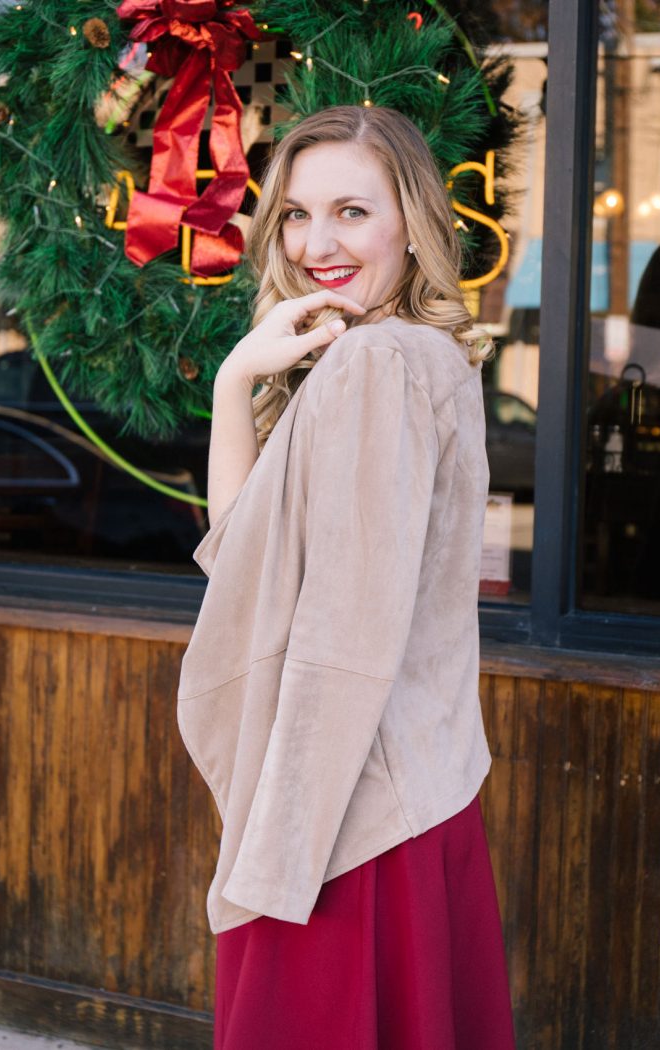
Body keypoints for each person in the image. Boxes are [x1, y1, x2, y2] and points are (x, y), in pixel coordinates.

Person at [177, 105, 517, 1050]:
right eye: (294, 214)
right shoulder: (405, 355)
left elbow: (345, 638)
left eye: (352, 212)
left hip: (342, 814)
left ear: (412, 221)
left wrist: (278, 850)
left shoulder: (376, 359)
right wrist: (235, 382)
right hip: (398, 794)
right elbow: (238, 555)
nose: (316, 242)